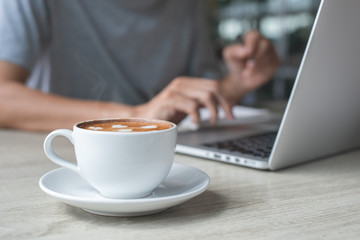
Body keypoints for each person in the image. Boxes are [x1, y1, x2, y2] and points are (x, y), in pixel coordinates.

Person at [0, 0, 280, 131]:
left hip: (165, 152)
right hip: (56, 152)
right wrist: (136, 116)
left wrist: (237, 83)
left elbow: (195, 101)